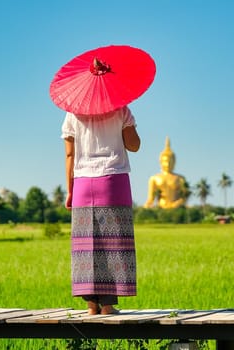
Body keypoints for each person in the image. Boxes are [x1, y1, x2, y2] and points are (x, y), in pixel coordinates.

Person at [62, 105, 141, 315]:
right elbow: (134, 146)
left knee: (85, 243)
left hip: (82, 182)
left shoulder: (72, 112)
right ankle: (107, 305)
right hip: (113, 179)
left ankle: (91, 305)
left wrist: (70, 191)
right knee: (113, 242)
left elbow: (70, 155)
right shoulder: (121, 110)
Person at [143, 137, 188, 209]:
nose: (167, 164)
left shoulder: (180, 179)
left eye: (170, 161)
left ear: (174, 162)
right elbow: (150, 199)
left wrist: (176, 204)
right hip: (160, 206)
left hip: (176, 207)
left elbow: (184, 198)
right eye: (165, 161)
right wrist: (146, 207)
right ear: (160, 162)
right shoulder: (154, 178)